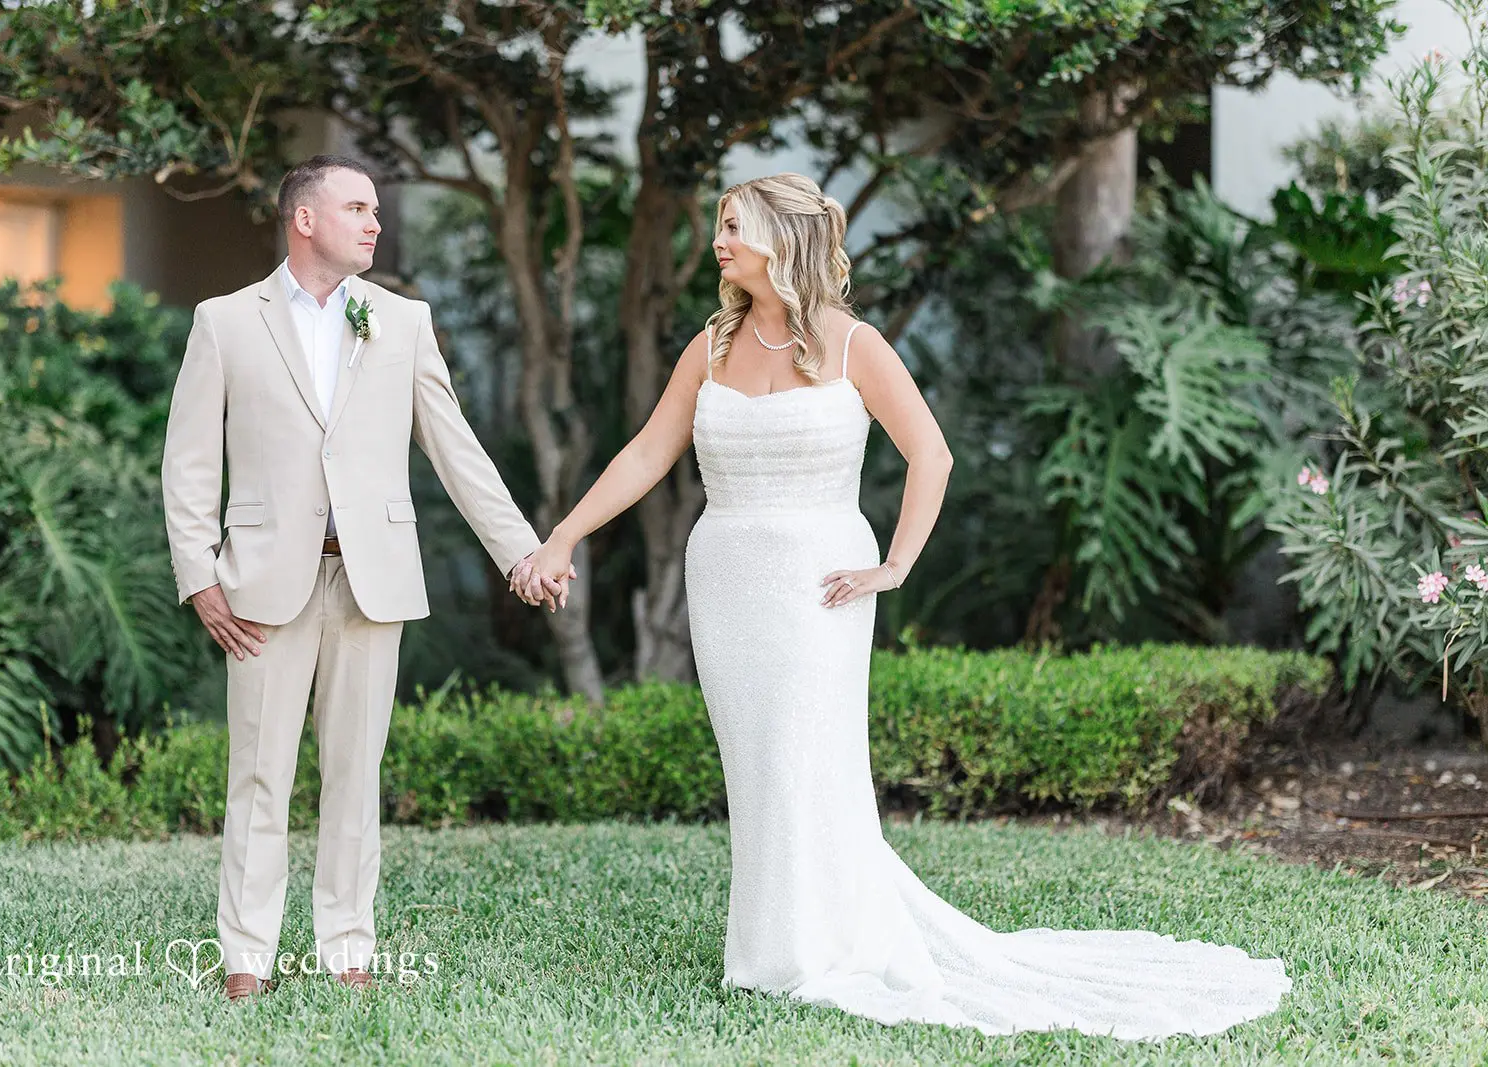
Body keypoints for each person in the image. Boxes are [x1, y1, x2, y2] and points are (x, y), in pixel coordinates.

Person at [511, 171, 1293, 1040]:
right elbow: (647, 452)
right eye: (721, 227)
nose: (719, 242)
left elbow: (932, 453)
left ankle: (817, 948)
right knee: (760, 763)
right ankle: (777, 944)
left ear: (784, 237)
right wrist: (563, 536)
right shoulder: (710, 346)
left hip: (822, 582)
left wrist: (894, 566)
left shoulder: (855, 344)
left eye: (735, 227)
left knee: (811, 754)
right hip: (727, 575)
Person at [160, 154, 570, 1003]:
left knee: (356, 774)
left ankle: (348, 947)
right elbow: (190, 463)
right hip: (263, 584)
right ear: (303, 218)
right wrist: (200, 577)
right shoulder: (226, 321)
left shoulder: (402, 321)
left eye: (376, 209)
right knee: (260, 773)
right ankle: (248, 957)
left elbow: (456, 450)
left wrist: (520, 552)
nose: (375, 222)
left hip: (370, 580)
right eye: (357, 207)